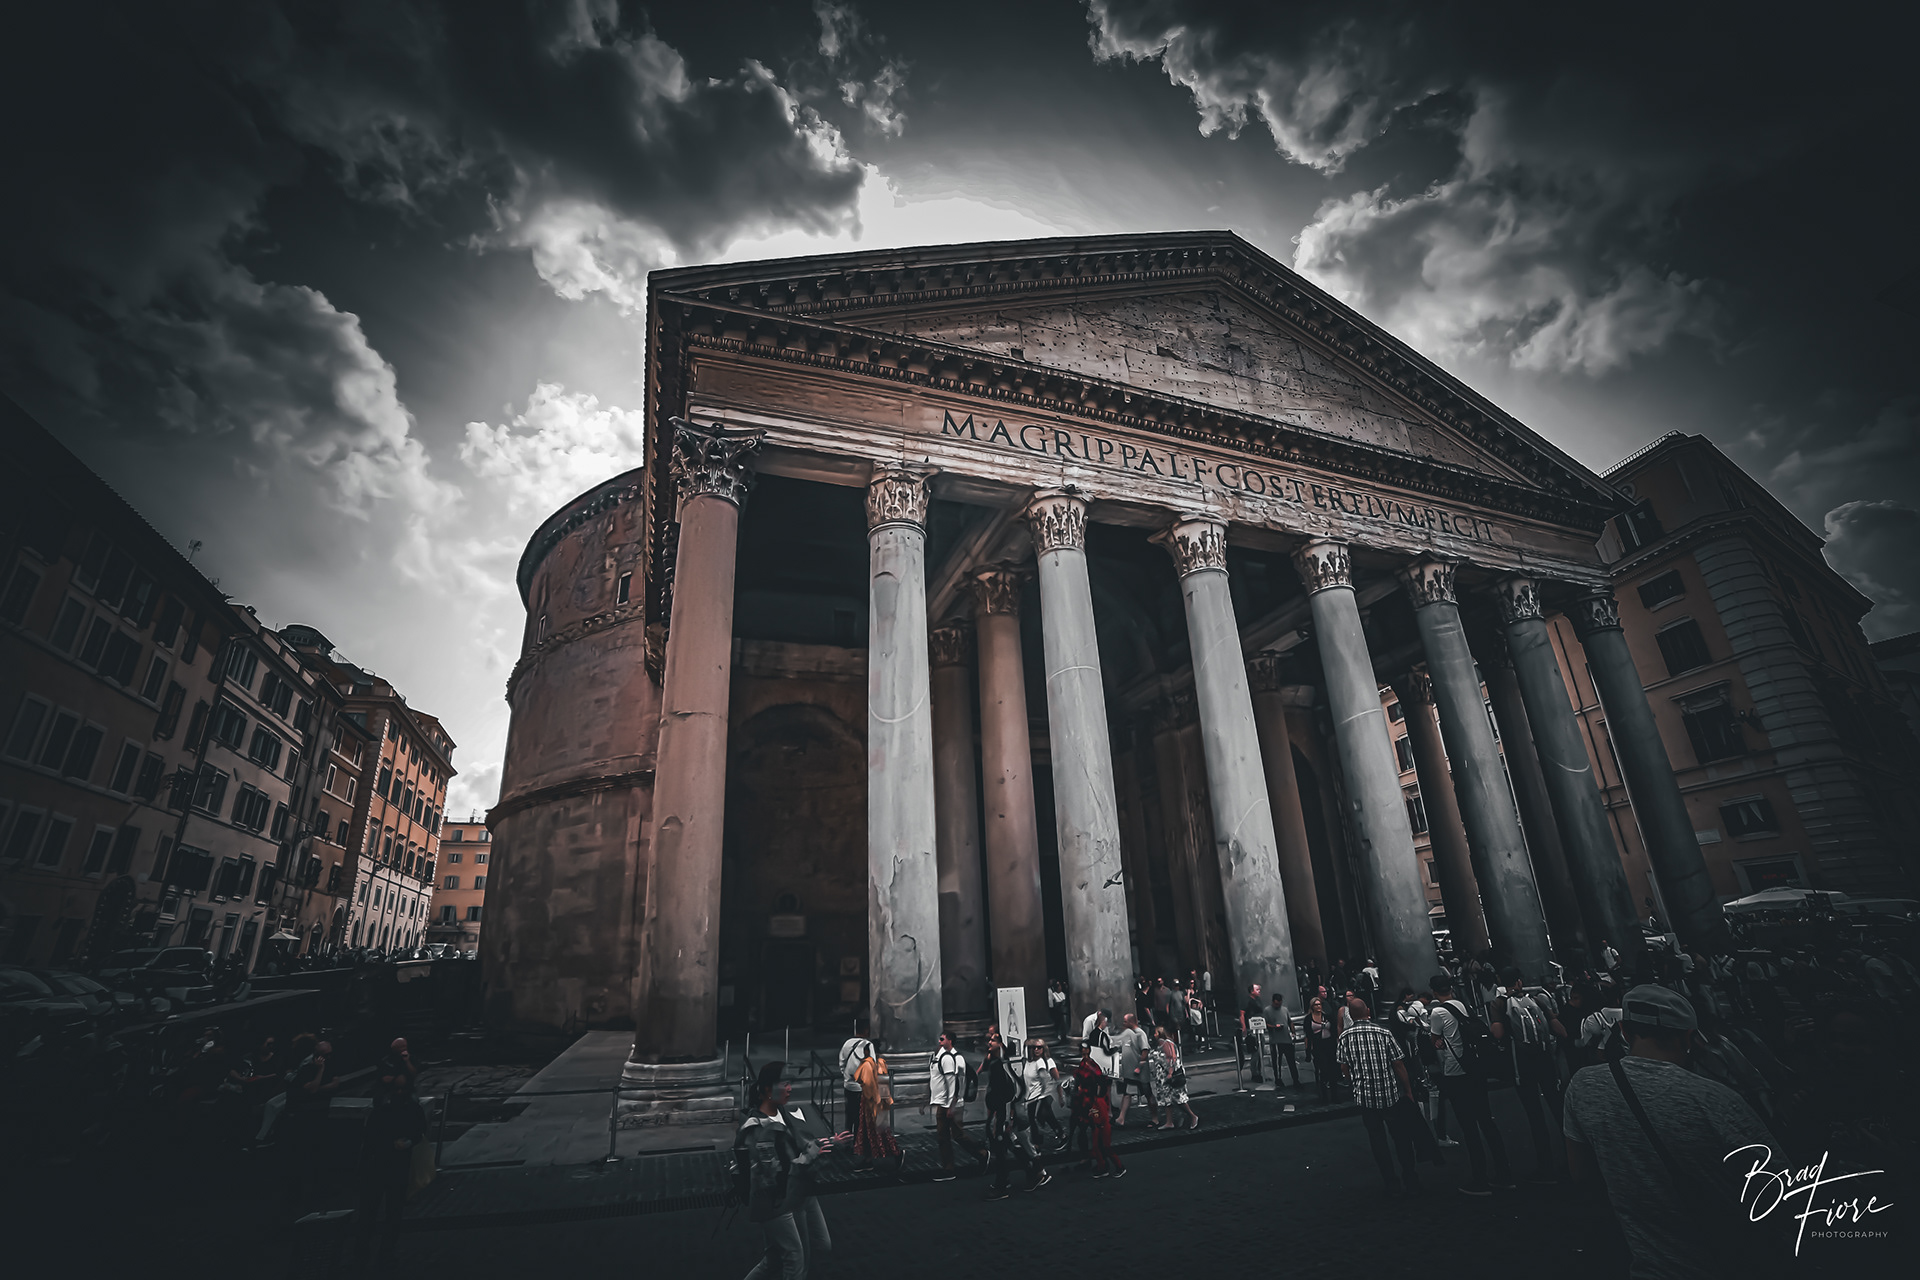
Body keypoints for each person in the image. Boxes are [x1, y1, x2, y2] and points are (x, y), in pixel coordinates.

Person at [1564, 985, 1780, 1280]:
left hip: (1650, 1266)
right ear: (1688, 1036)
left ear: (1625, 1032)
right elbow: (1780, 1190)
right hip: (1733, 1262)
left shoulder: (1582, 1086)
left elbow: (1581, 1175)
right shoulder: (1716, 1098)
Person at [735, 1060, 834, 1279]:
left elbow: (801, 1143)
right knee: (795, 1256)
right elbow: (771, 1172)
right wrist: (808, 1158)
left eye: (790, 1082)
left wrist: (828, 1143)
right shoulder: (757, 1125)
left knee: (777, 1258)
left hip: (797, 1191)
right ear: (768, 1089)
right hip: (777, 1199)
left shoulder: (783, 1113)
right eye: (785, 1083)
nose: (790, 1088)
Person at [1427, 973, 1513, 1195]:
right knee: (1486, 1121)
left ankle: (1480, 1178)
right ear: (1451, 988)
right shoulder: (1462, 1006)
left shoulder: (1437, 1011)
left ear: (1435, 992)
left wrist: (1439, 1041)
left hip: (1456, 1072)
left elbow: (1434, 1040)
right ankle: (1504, 1174)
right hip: (1475, 1068)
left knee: (1468, 1126)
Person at [1337, 995, 1422, 1195]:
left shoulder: (1344, 1037)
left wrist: (1354, 1081)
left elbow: (1344, 1067)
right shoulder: (1383, 1032)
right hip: (1389, 1093)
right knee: (1401, 1137)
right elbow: (1398, 1063)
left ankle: (1390, 1181)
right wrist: (1408, 1090)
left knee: (1377, 1141)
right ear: (1367, 1012)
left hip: (1365, 1097)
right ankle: (1410, 1176)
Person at [1489, 967, 1567, 1183]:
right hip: (1545, 1062)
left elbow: (1498, 1033)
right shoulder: (1536, 1000)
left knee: (1535, 1116)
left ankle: (1546, 1165)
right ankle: (1574, 1155)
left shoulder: (1500, 1004)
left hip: (1521, 1066)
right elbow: (1560, 1029)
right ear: (1520, 982)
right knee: (1558, 1108)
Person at [982, 1038, 1050, 1199]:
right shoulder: (1003, 1065)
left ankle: (1004, 1184)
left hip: (1002, 1115)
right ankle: (1031, 1172)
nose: (989, 1043)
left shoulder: (1000, 1067)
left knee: (1002, 1148)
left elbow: (1006, 1094)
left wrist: (1005, 1118)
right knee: (1010, 1145)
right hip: (1004, 1114)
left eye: (993, 1040)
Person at [928, 1032, 986, 1181]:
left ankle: (982, 1153)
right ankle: (948, 1169)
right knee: (942, 1136)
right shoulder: (941, 1057)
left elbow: (957, 1082)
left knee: (958, 1135)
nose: (939, 1042)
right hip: (943, 1102)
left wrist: (952, 1105)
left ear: (950, 1041)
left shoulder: (956, 1058)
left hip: (953, 1103)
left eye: (942, 1039)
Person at [1069, 1043, 1124, 1178]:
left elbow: (1099, 1113)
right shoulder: (1086, 1066)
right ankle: (1103, 1166)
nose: (1084, 1052)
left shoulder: (1091, 1070)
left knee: (1102, 1145)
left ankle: (1115, 1166)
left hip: (1096, 1115)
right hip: (1090, 1110)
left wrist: (1097, 1121)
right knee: (1097, 1145)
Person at [849, 1038, 900, 1175]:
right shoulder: (881, 1063)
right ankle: (868, 1159)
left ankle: (895, 1154)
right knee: (875, 1131)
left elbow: (859, 1078)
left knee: (874, 1131)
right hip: (881, 1101)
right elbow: (884, 1083)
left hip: (870, 1102)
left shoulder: (867, 1064)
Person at [1149, 1023, 1200, 1130]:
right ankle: (1169, 1122)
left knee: (1178, 1098)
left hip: (1170, 1075)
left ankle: (1192, 1116)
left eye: (1156, 1033)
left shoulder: (1166, 1043)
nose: (1154, 1035)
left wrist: (1170, 1073)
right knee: (1167, 1099)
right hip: (1161, 1076)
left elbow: (1172, 1058)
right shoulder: (1158, 1045)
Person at [1112, 1013, 1154, 1127]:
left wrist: (1139, 1067)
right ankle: (1121, 1118)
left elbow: (1145, 1051)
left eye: (1125, 1021)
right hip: (1130, 1073)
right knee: (1127, 1093)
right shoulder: (1127, 1034)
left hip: (1140, 1073)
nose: (1123, 1024)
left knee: (1148, 1094)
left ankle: (1155, 1118)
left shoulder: (1140, 1034)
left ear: (1131, 1022)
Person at [1024, 1037, 1066, 1145]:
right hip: (1033, 1096)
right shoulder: (1030, 1063)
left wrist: (1061, 1096)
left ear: (1044, 1049)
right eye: (1034, 1048)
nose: (1036, 1050)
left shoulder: (1048, 1062)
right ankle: (1054, 1136)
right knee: (1045, 1117)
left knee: (1041, 1115)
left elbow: (1057, 1080)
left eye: (1039, 1048)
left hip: (1046, 1094)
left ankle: (1041, 1140)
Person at [837, 1017, 873, 1133]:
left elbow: (841, 1063)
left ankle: (847, 1140)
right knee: (861, 1118)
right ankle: (858, 1144)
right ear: (867, 1030)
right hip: (862, 1087)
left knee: (849, 1115)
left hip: (848, 1086)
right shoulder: (868, 1045)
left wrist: (847, 1076)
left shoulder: (847, 1043)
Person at [1306, 995, 1338, 1102]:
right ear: (1312, 1006)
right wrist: (1308, 1051)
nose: (1318, 1006)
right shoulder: (1308, 1019)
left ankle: (1335, 1095)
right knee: (1323, 1070)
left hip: (1329, 1044)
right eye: (1316, 1005)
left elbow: (1334, 1029)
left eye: (1319, 1004)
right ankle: (1324, 1096)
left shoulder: (1327, 1016)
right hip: (1318, 1046)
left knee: (1332, 1070)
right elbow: (1307, 1035)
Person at [1267, 990, 1301, 1087]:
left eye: (1280, 1003)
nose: (1279, 1005)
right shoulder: (1268, 1010)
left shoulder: (1285, 1010)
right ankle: (1278, 1079)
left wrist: (1293, 1032)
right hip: (1275, 1040)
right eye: (1277, 1003)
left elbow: (1290, 1021)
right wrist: (1274, 1026)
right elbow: (1265, 1024)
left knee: (1291, 1060)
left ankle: (1295, 1079)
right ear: (1273, 1001)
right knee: (1277, 1062)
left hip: (1286, 1039)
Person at [1239, 983, 1268, 1085]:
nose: (1259, 991)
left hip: (1260, 1026)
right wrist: (1244, 1027)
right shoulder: (1247, 1001)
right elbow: (1241, 1014)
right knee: (1256, 1051)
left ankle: (1260, 1071)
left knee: (1261, 1050)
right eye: (1257, 989)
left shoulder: (1258, 1000)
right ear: (1252, 991)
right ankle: (1255, 1073)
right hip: (1252, 1027)